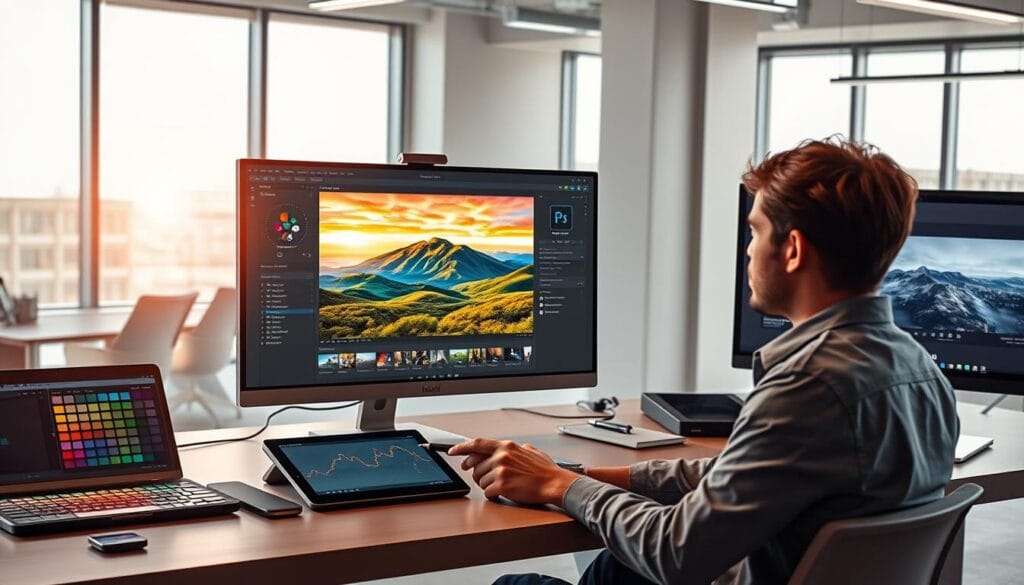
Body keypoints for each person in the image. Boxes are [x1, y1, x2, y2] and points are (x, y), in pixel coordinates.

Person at [449, 138, 960, 585]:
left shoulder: (809, 385)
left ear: (793, 250)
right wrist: (582, 474)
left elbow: (676, 554)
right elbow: (737, 477)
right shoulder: (921, 370)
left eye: (755, 232)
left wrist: (561, 486)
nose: (747, 251)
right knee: (613, 566)